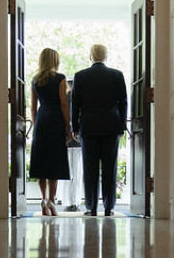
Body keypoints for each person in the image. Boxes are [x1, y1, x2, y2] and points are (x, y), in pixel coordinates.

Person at [71, 44, 127, 216]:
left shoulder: (80, 76)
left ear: (90, 56)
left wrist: (75, 127)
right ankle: (109, 208)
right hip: (111, 126)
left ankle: (92, 207)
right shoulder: (117, 75)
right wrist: (122, 124)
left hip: (88, 127)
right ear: (106, 56)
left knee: (90, 168)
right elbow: (123, 102)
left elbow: (75, 105)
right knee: (110, 168)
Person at [28, 48, 72, 216]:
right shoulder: (60, 78)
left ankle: (43, 199)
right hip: (55, 119)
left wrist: (35, 124)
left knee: (41, 161)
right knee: (54, 160)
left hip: (41, 119)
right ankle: (52, 201)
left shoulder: (35, 80)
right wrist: (68, 127)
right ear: (55, 61)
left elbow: (33, 107)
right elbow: (63, 104)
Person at [61, 79, 84, 212]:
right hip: (78, 139)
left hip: (66, 139)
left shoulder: (63, 100)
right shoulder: (80, 99)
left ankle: (67, 201)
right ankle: (76, 200)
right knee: (78, 171)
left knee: (67, 172)